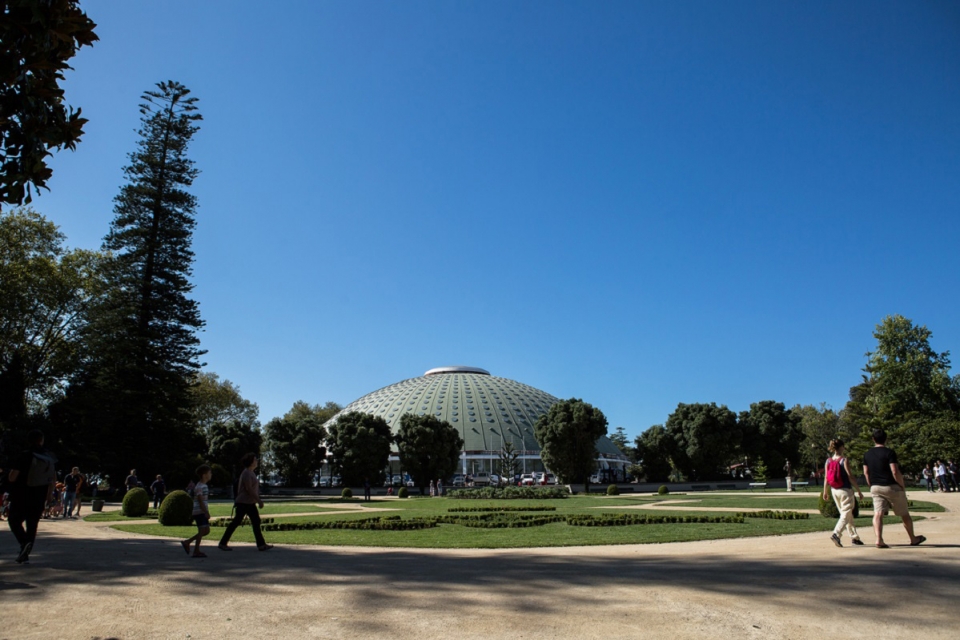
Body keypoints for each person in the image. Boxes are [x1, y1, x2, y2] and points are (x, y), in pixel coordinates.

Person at [863, 429, 925, 548]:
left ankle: (878, 539)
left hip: (875, 487)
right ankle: (913, 538)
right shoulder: (889, 453)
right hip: (891, 486)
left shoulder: (867, 454)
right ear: (886, 439)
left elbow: (866, 472)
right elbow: (895, 471)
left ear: (873, 439)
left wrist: (871, 484)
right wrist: (901, 485)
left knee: (878, 514)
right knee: (904, 514)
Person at [7, 429, 58, 563]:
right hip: (39, 495)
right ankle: (26, 551)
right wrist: (49, 495)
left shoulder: (25, 455)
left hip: (21, 494)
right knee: (32, 524)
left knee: (14, 520)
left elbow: (12, 477)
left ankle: (24, 543)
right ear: (41, 440)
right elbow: (53, 479)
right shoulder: (49, 457)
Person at [218, 453, 272, 552]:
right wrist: (259, 500)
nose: (257, 461)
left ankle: (261, 544)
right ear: (251, 462)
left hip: (249, 503)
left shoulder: (250, 472)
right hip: (243, 502)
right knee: (236, 522)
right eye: (255, 460)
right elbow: (249, 489)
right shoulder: (247, 473)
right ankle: (222, 543)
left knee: (256, 522)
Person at [822, 439, 864, 547]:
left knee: (846, 513)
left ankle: (854, 537)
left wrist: (825, 491)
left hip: (834, 490)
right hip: (845, 490)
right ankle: (836, 533)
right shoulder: (844, 460)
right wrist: (858, 490)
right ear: (841, 447)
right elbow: (850, 476)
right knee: (846, 513)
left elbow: (826, 477)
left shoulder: (828, 461)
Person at [181, 465, 212, 558]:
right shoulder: (200, 486)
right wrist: (205, 511)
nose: (211, 475)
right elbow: (200, 500)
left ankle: (188, 542)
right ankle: (196, 551)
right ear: (204, 475)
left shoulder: (204, 486)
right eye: (209, 473)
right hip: (199, 512)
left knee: (206, 531)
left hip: (201, 511)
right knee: (202, 530)